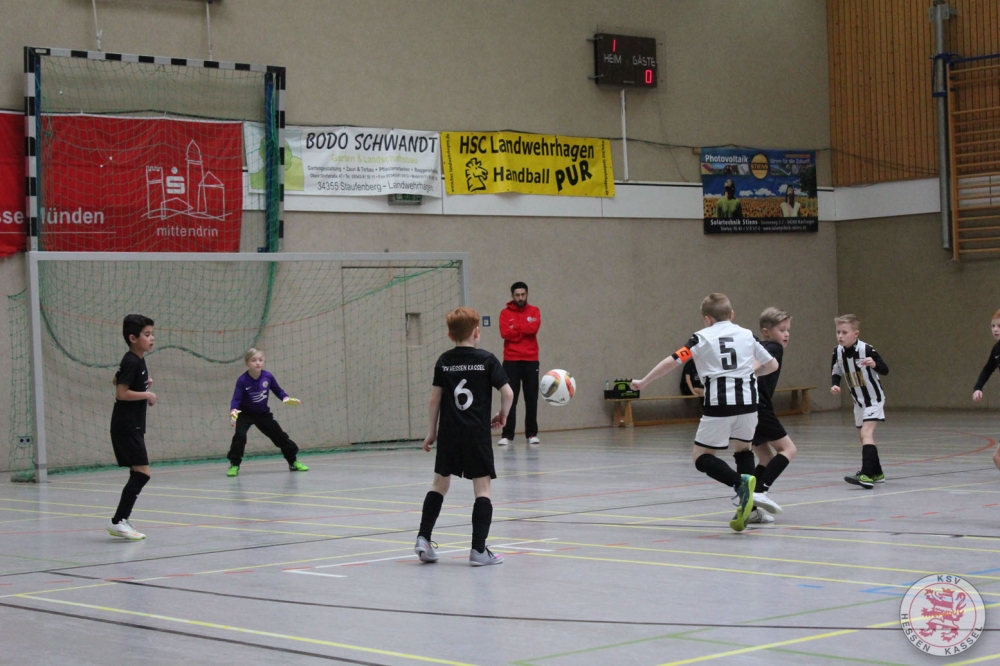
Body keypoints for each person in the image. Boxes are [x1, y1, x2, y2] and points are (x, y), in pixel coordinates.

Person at [631, 293, 778, 532]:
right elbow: (772, 365)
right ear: (732, 314)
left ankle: (739, 484)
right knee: (744, 450)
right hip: (749, 402)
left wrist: (644, 381)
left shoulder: (700, 338)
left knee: (701, 457)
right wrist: (749, 374)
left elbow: (673, 361)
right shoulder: (747, 335)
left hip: (720, 403)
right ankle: (750, 510)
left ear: (707, 319)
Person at [414, 306, 514, 566]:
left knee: (439, 484)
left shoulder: (444, 361)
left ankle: (423, 538)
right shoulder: (487, 359)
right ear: (477, 332)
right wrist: (502, 415)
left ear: (450, 335)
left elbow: (434, 400)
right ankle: (478, 551)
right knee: (482, 489)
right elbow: (508, 393)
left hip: (449, 434)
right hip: (476, 435)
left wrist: (432, 431)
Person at [742, 307, 797, 524]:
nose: (786, 334)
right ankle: (760, 491)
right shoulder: (774, 347)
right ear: (766, 332)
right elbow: (757, 366)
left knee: (765, 459)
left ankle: (750, 508)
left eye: (788, 330)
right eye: (782, 330)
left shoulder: (756, 348)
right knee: (788, 449)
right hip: (760, 408)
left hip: (745, 409)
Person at [107, 314, 157, 540]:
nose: (152, 338)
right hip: (126, 426)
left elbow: (116, 379)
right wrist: (147, 394)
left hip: (133, 424)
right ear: (133, 338)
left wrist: (143, 383)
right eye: (147, 334)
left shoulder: (137, 360)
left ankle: (121, 520)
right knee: (143, 473)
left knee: (137, 472)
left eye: (152, 334)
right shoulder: (131, 361)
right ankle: (118, 521)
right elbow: (121, 392)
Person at [226, 348, 308, 476]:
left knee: (280, 437)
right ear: (247, 363)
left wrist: (286, 398)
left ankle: (293, 462)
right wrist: (233, 411)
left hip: (263, 414)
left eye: (260, 360)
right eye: (253, 360)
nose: (257, 363)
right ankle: (234, 464)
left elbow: (278, 390)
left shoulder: (268, 376)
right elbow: (236, 399)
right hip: (245, 415)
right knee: (239, 437)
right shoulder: (242, 380)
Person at [831, 314, 888, 489]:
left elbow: (885, 369)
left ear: (855, 334)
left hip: (873, 399)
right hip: (858, 402)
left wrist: (874, 364)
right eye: (838, 332)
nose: (840, 336)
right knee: (862, 437)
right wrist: (835, 385)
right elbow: (836, 371)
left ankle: (866, 474)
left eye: (844, 332)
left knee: (866, 434)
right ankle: (877, 472)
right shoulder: (837, 352)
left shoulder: (867, 350)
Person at [498, 281, 541, 447]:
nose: (520, 297)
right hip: (511, 360)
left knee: (531, 398)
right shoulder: (504, 313)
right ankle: (507, 435)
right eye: (517, 295)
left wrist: (515, 327)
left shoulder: (534, 310)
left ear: (527, 295)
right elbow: (505, 333)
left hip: (531, 360)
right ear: (512, 296)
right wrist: (524, 329)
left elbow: (534, 329)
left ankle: (532, 434)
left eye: (523, 294)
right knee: (510, 398)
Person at [971, 308, 1000, 473]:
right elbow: (988, 369)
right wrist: (978, 387)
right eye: (993, 326)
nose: (995, 329)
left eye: (999, 326)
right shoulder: (996, 350)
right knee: (997, 457)